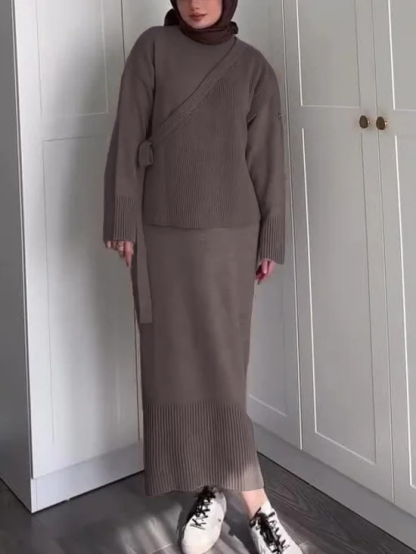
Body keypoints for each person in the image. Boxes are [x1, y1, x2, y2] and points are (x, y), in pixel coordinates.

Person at [104, 0, 301, 553]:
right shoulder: (151, 49)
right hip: (160, 234)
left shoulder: (254, 67)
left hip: (231, 237)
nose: (196, 3)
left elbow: (268, 160)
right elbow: (127, 136)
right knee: (174, 367)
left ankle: (253, 505)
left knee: (222, 369)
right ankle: (216, 489)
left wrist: (271, 237)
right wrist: (122, 219)